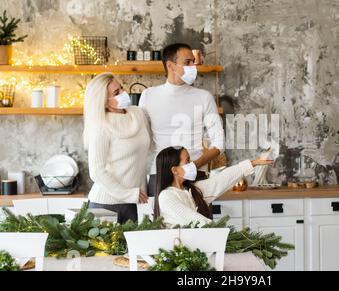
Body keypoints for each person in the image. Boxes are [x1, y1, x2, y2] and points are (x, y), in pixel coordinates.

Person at [139, 43, 225, 197]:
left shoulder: (204, 97)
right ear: (170, 65)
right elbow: (142, 140)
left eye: (193, 61)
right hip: (159, 175)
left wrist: (193, 166)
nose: (193, 66)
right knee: (159, 222)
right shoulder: (148, 96)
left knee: (201, 221)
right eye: (187, 62)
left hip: (196, 176)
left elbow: (219, 142)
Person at [83, 72, 150, 223]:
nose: (124, 93)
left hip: (136, 202)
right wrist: (127, 194)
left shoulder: (138, 114)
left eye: (121, 88)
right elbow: (97, 171)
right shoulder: (101, 126)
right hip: (106, 204)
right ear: (104, 102)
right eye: (116, 92)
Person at [153, 146, 273, 227]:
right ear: (175, 170)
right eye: (187, 161)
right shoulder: (166, 196)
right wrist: (224, 233)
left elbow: (221, 180)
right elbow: (195, 221)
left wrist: (252, 163)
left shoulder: (192, 190)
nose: (192, 164)